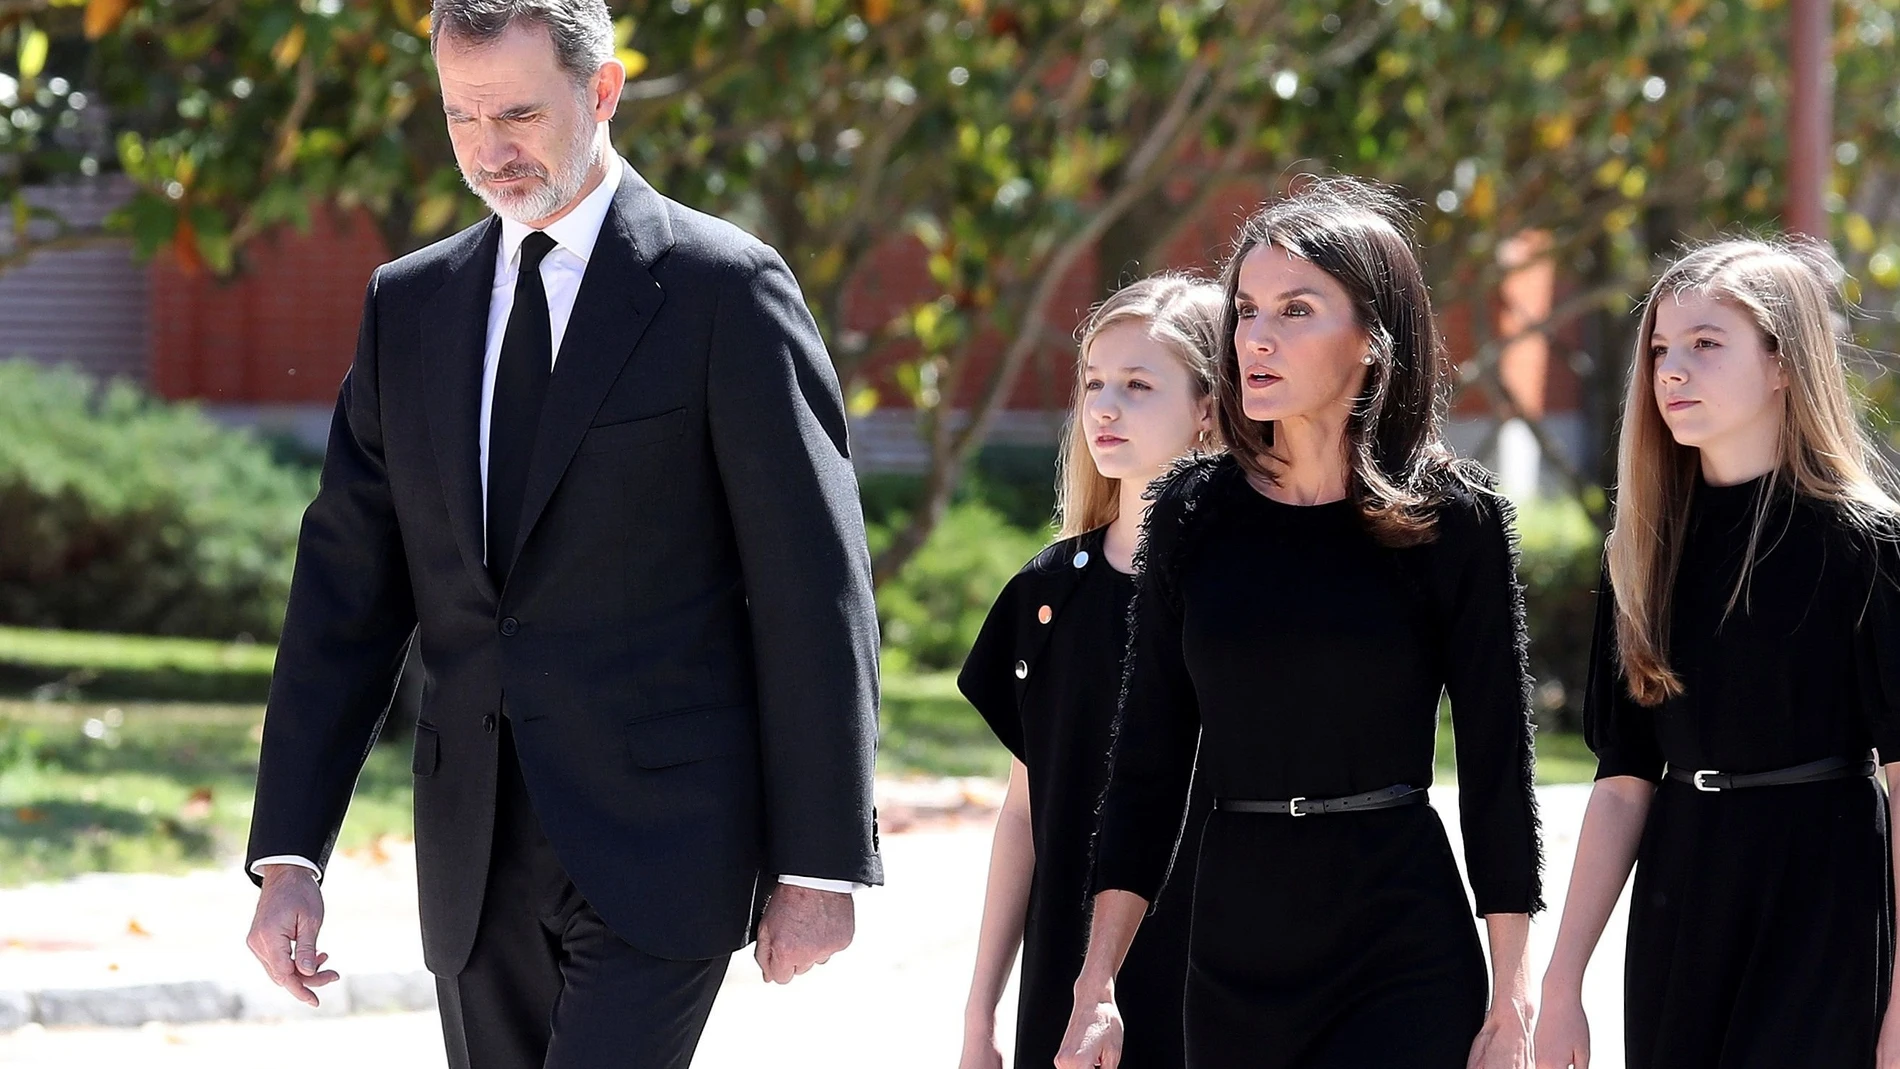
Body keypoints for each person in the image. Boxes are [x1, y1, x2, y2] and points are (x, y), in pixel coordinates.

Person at [240, 3, 882, 1066]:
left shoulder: (724, 289)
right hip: (471, 848)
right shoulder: (410, 306)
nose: (489, 150)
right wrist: (288, 853)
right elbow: (343, 598)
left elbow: (815, 585)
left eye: (521, 114)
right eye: (462, 116)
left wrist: (821, 861)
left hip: (665, 843)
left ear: (603, 92)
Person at [1056, 176, 1543, 1069]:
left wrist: (1512, 995)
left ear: (1372, 339)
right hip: (1237, 938)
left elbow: (1497, 766)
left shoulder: (1455, 520)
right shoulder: (1192, 513)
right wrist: (1097, 985)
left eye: (1295, 309)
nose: (1255, 337)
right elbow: (1148, 764)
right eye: (1245, 310)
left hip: (1402, 939)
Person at [1534, 238, 1900, 1069]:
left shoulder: (1865, 545)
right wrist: (1563, 985)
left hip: (1824, 896)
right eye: (1662, 348)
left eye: (1707, 343)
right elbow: (1623, 783)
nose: (1672, 370)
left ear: (1783, 363)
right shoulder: (1642, 550)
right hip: (1684, 897)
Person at [957, 274, 1223, 1069]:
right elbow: (1022, 815)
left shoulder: (1248, 597)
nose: (1104, 407)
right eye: (1095, 383)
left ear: (1209, 407)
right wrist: (980, 1015)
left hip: (1220, 988)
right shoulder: (1047, 594)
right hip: (1068, 996)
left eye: (1140, 386)